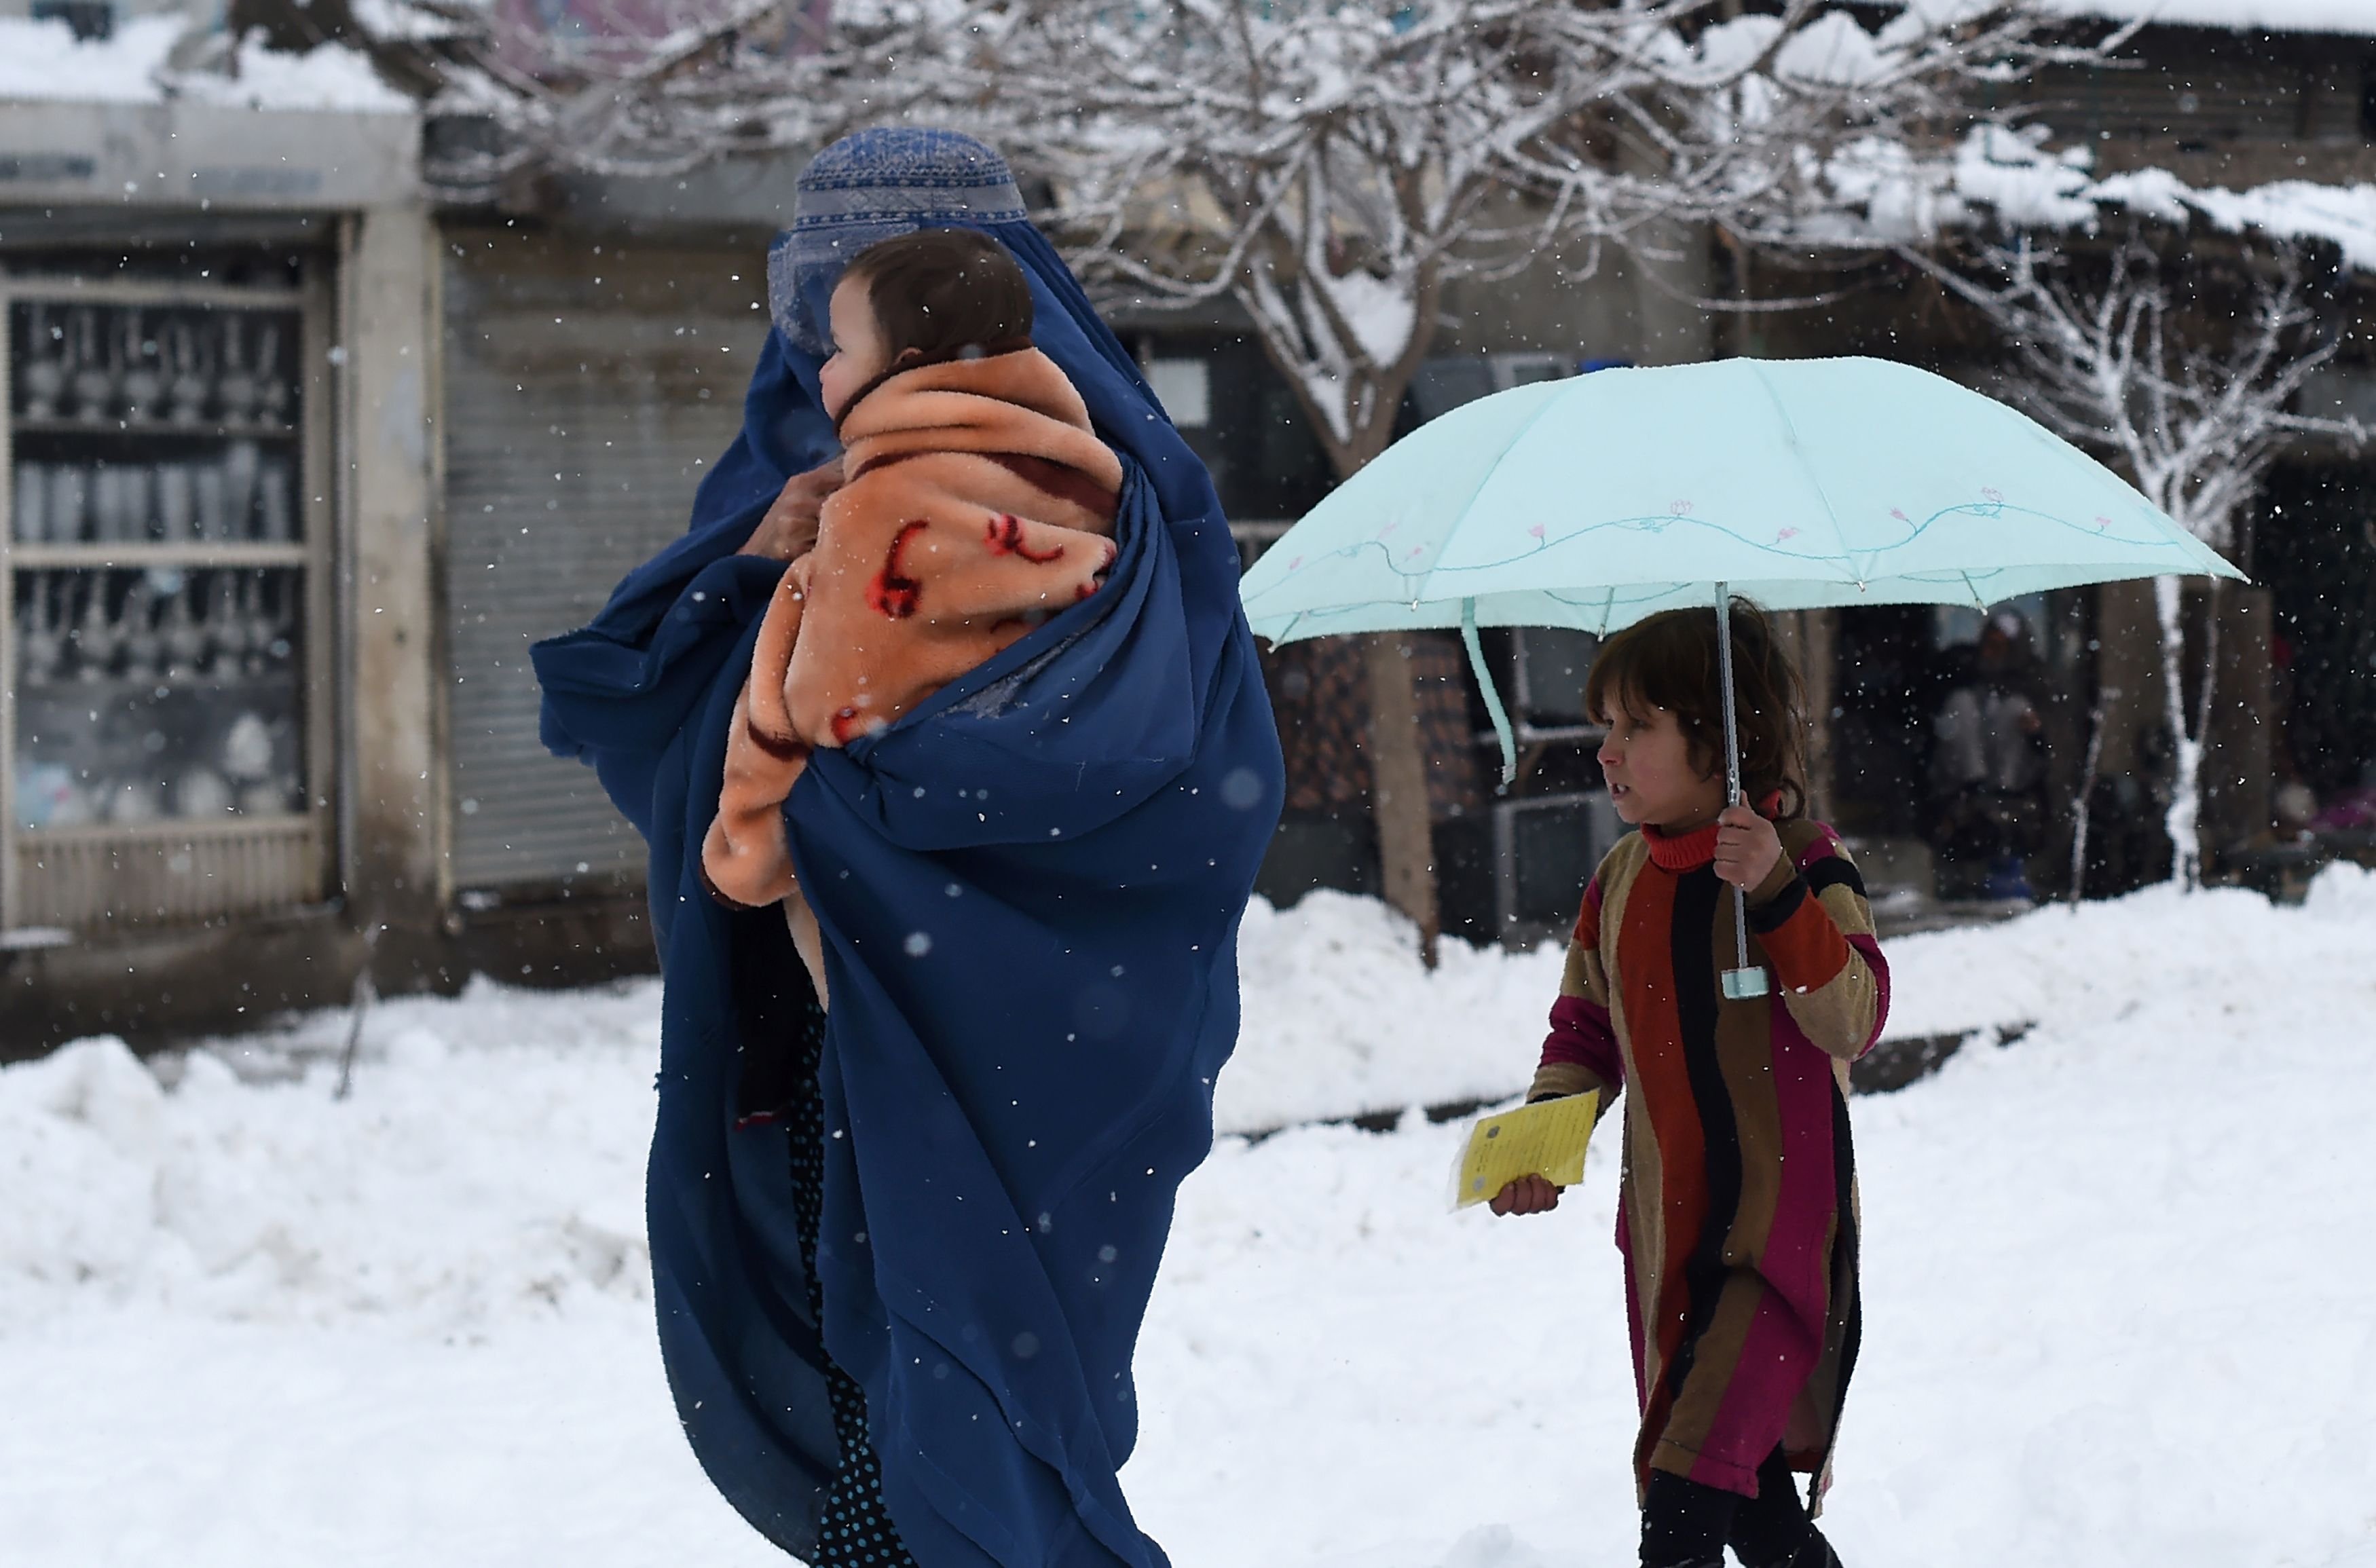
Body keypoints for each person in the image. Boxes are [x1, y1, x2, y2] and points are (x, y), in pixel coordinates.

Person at [534, 128, 1283, 1568]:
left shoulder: (1129, 494)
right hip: (815, 1025)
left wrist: (858, 811)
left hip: (1017, 1034)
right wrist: (757, 571)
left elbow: (1183, 780)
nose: (822, 348)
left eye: (851, 300)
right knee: (867, 1369)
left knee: (979, 1392)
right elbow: (645, 712)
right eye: (814, 296)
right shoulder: (799, 475)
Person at [1490, 601, 1889, 1568]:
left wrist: (1776, 894)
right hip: (1670, 1241)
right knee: (1755, 1515)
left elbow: (1853, 1015)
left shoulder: (1805, 859)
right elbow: (1585, 1032)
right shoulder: (1620, 879)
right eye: (1604, 727)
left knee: (1680, 1512)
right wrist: (1540, 1143)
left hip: (1774, 1247)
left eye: (1637, 726)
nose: (1607, 752)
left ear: (1722, 740)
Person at [701, 227, 1125, 996]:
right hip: (1046, 846)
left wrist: (748, 848)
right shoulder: (1087, 478)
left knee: (887, 1045)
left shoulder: (880, 504)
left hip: (895, 865)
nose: (821, 369)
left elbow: (823, 699)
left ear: (901, 366)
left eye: (838, 350)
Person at [1927, 610, 2049, 900]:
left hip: (2015, 777)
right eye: (1989, 645)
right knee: (1961, 704)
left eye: (2001, 647)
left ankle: (1999, 795)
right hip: (1965, 775)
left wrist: (2036, 731)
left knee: (2015, 708)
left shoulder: (2034, 682)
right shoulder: (1962, 672)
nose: (1992, 654)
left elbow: (2049, 743)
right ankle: (1977, 785)